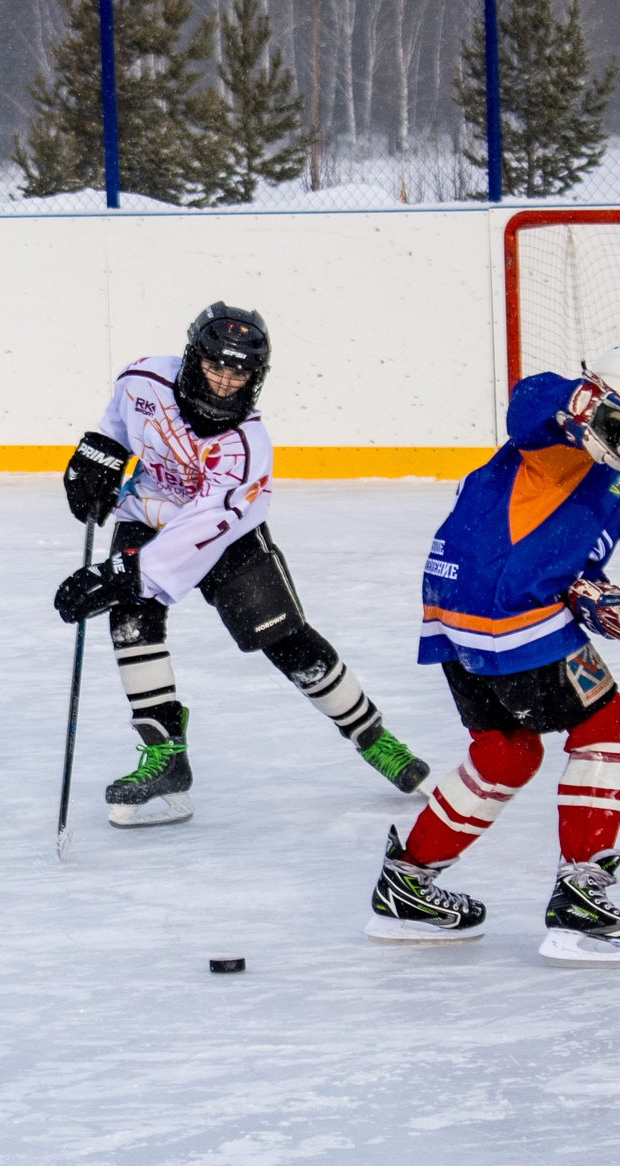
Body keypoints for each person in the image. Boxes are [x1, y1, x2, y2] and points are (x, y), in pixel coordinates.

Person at [53, 303, 430, 827]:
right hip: (148, 509)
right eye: (216, 366)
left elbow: (204, 529)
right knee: (132, 625)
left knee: (284, 638)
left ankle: (371, 735)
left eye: (241, 371)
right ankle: (166, 757)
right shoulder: (142, 378)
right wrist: (98, 455)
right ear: (193, 358)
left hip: (225, 535)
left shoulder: (247, 447)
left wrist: (122, 574)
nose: (227, 381)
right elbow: (119, 421)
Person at [366, 347, 620, 964]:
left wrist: (606, 605)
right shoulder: (560, 441)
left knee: (506, 751)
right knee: (606, 721)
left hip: (455, 605)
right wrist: (590, 409)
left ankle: (406, 885)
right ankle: (581, 901)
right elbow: (529, 400)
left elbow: (569, 569)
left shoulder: (606, 483)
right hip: (505, 608)